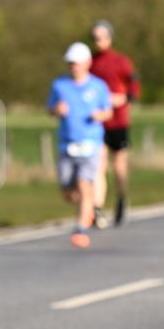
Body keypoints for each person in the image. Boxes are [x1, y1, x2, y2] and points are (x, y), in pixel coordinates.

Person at [47, 42, 113, 248]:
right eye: (70, 63)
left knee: (85, 185)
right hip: (67, 143)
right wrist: (57, 110)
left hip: (91, 143)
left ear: (87, 63)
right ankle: (88, 211)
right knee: (68, 191)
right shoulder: (59, 85)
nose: (73, 66)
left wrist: (99, 115)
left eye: (76, 62)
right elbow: (49, 109)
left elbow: (108, 111)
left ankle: (81, 228)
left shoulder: (98, 86)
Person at [90, 20, 140, 227]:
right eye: (94, 38)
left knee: (119, 165)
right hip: (97, 122)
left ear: (109, 37)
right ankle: (98, 208)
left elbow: (134, 87)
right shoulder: (90, 63)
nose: (97, 41)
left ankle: (121, 197)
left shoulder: (121, 61)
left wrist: (123, 98)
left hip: (118, 121)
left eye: (101, 37)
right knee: (98, 166)